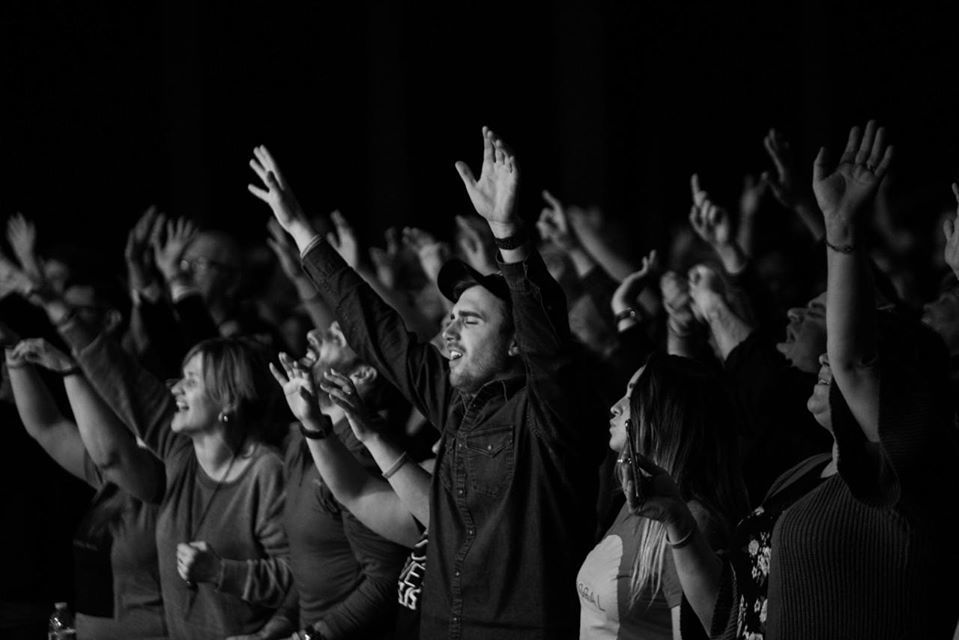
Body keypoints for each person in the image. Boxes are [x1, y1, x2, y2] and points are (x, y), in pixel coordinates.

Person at [248, 129, 608, 639]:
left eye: (472, 320)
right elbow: (377, 330)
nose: (449, 327)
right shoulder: (457, 403)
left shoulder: (548, 415)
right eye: (452, 316)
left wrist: (506, 232)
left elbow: (548, 342)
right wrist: (301, 230)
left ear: (514, 344)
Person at [632, 121, 959, 639]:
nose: (828, 360)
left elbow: (849, 361)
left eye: (839, 351)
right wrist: (676, 521)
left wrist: (841, 229)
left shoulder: (903, 478)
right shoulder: (799, 476)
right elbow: (729, 616)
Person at [6, 335, 168, 640]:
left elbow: (110, 456)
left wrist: (71, 369)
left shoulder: (168, 481)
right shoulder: (111, 481)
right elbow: (47, 426)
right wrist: (15, 357)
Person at [577, 353, 747, 640]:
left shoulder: (693, 521)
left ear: (667, 413)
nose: (615, 408)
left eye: (633, 396)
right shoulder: (637, 500)